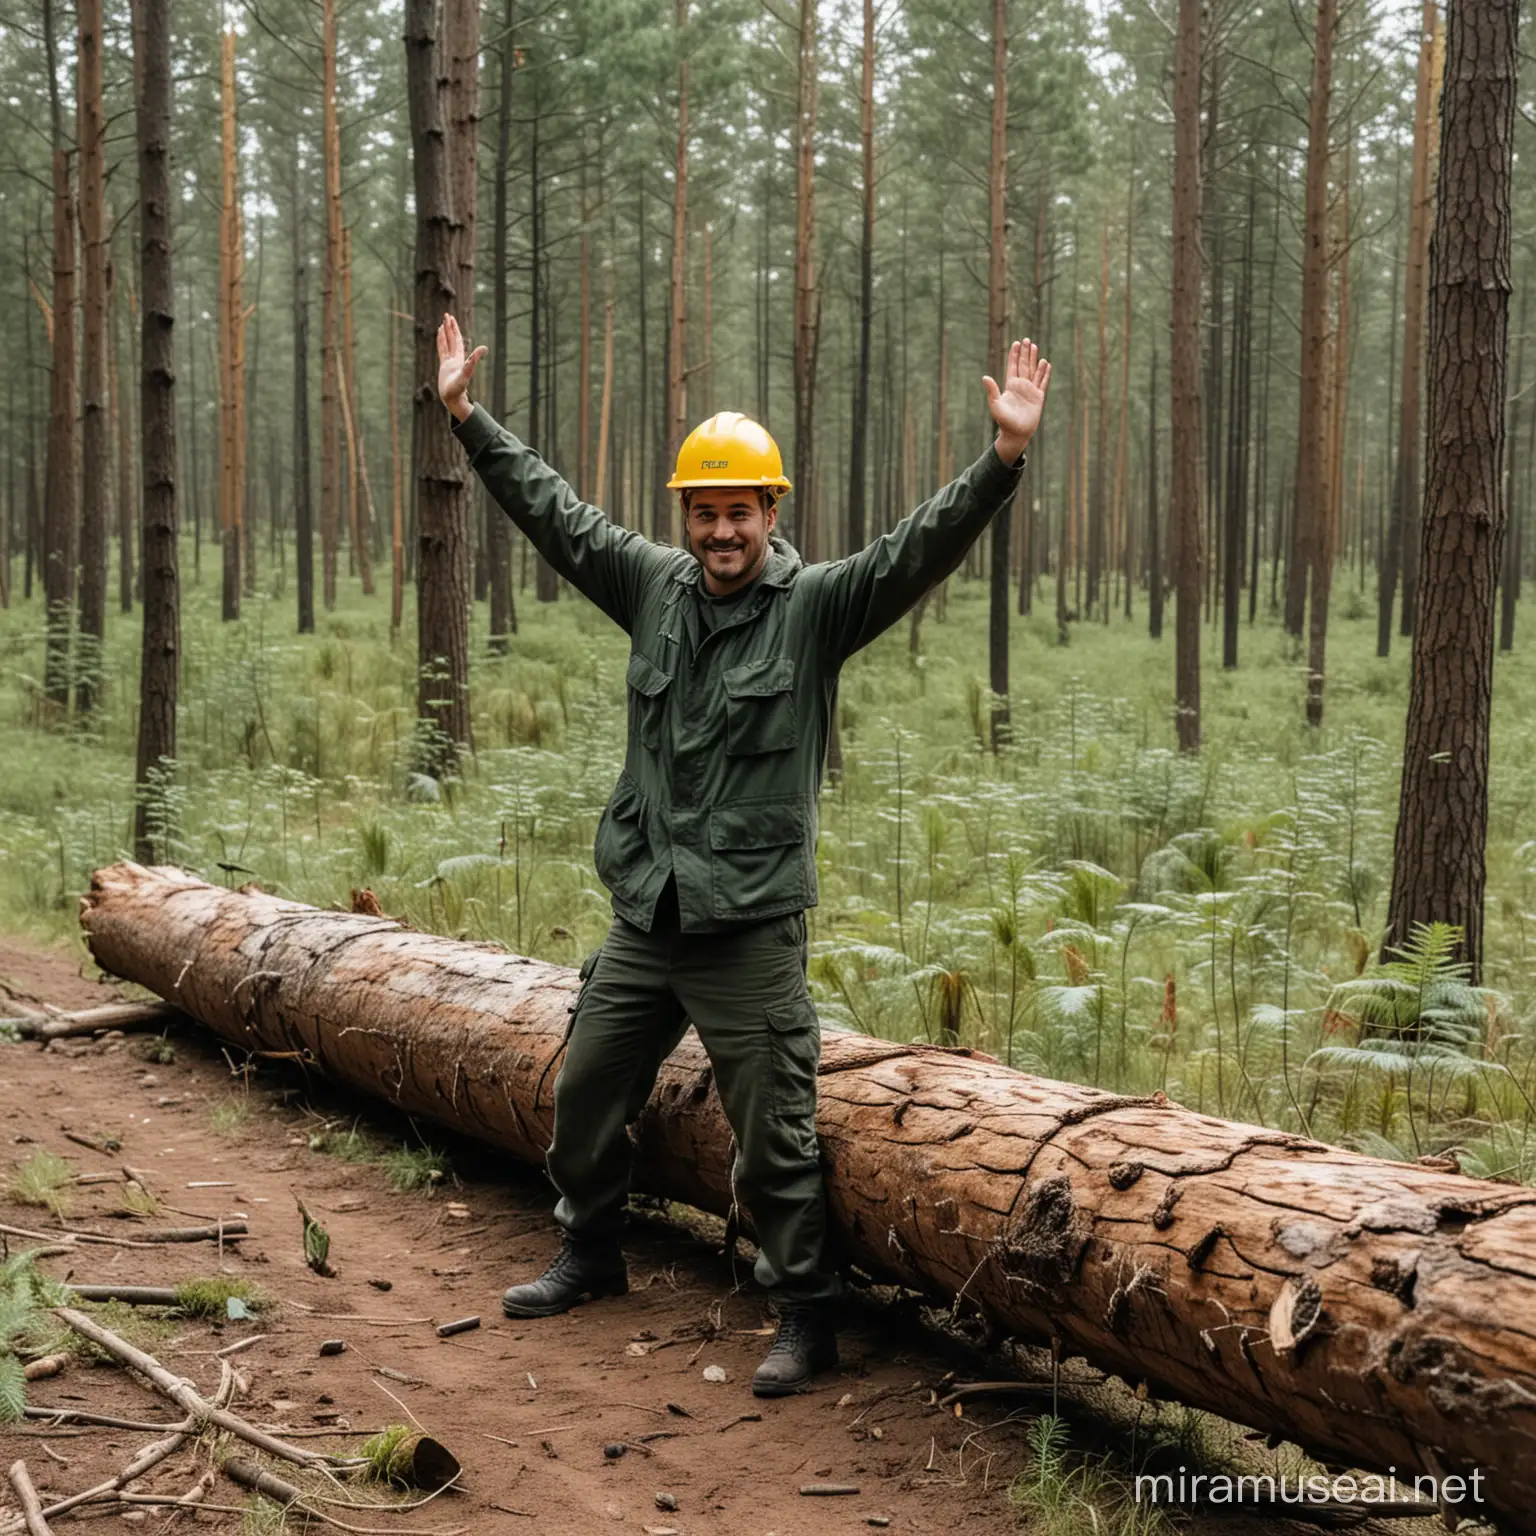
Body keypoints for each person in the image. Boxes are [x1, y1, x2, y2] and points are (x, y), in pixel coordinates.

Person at [436, 313, 1050, 1396]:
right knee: (582, 1091)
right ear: (687, 516)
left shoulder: (814, 609)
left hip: (749, 926)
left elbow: (918, 547)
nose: (722, 532)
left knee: (776, 1135)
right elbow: (557, 516)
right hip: (647, 912)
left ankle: (805, 1312)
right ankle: (590, 1250)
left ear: (772, 512)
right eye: (706, 513)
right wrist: (468, 419)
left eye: (742, 512)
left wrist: (1001, 457)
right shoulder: (651, 587)